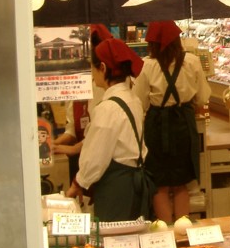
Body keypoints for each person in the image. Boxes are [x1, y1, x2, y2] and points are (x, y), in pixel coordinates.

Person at [65, 37, 153, 222]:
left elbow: (96, 156)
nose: (92, 74)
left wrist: (78, 183)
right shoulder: (132, 98)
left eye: (93, 68)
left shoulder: (107, 108)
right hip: (136, 183)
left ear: (103, 68)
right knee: (131, 243)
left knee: (114, 244)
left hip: (117, 188)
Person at [132, 21, 211, 223]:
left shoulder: (147, 65)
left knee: (160, 184)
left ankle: (166, 231)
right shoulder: (191, 61)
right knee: (181, 182)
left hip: (156, 125)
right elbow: (203, 97)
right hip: (183, 123)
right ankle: (182, 231)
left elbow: (138, 100)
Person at [53, 24, 112, 181]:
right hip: (82, 158)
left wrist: (72, 149)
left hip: (101, 160)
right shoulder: (75, 82)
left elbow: (99, 133)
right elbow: (72, 129)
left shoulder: (102, 84)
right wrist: (53, 145)